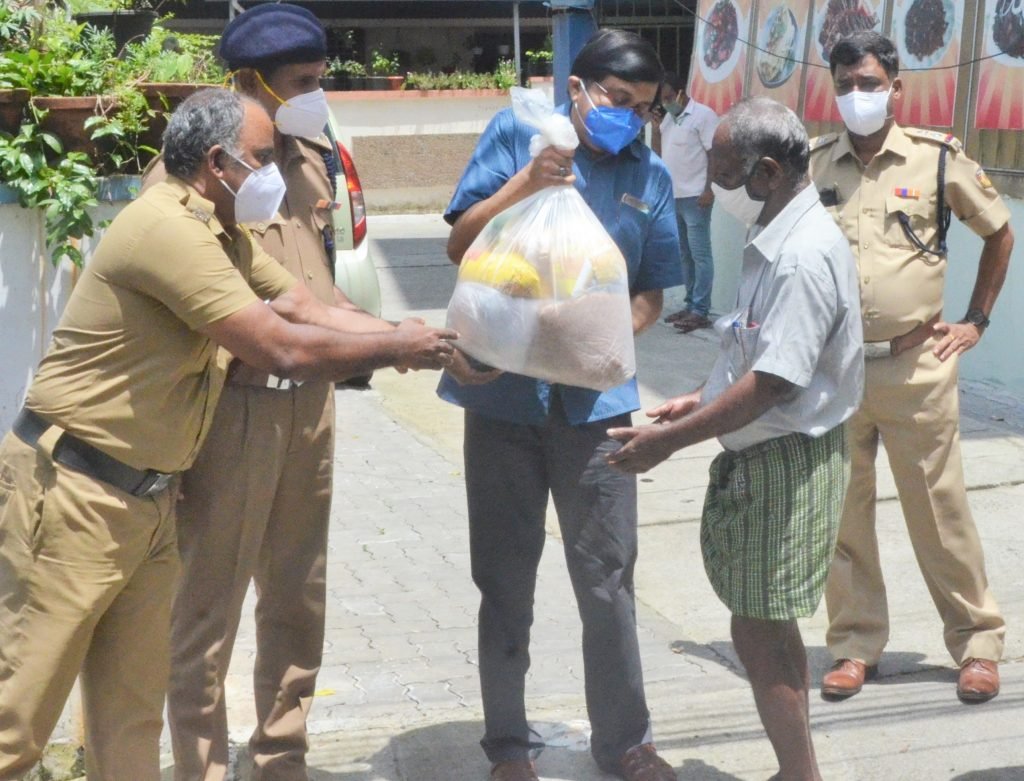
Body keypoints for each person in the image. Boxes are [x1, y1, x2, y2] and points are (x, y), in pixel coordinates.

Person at [0, 88, 456, 781]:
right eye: (262, 158)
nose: (273, 173)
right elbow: (280, 347)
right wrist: (397, 348)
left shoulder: (222, 231)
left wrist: (422, 339)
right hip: (73, 494)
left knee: (130, 721)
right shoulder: (167, 229)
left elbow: (304, 305)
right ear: (218, 162)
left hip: (147, 501)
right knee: (18, 721)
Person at [137, 8, 416, 781]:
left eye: (320, 79)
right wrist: (393, 344)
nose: (315, 95)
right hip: (231, 409)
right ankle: (200, 767)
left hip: (308, 407)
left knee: (298, 595)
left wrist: (397, 335)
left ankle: (280, 755)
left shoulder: (313, 159)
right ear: (247, 82)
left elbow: (317, 289)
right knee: (208, 607)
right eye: (301, 82)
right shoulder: (192, 176)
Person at [440, 29, 683, 781]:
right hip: (502, 398)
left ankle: (626, 742)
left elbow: (650, 292)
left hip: (597, 408)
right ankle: (509, 746)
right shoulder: (515, 133)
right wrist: (528, 181)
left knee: (608, 578)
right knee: (504, 579)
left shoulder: (650, 174)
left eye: (644, 109)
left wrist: (599, 338)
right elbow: (459, 244)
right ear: (576, 89)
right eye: (618, 100)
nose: (629, 119)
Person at [607, 96, 863, 781]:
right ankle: (795, 770)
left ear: (768, 172)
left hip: (785, 458)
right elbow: (754, 350)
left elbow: (775, 382)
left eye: (723, 175)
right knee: (766, 624)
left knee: (757, 627)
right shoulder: (774, 236)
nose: (715, 189)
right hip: (769, 452)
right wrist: (701, 397)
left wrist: (670, 442)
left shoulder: (801, 256)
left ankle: (799, 774)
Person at [809, 31, 1012, 703]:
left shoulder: (935, 158)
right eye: (845, 84)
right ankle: (854, 644)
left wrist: (975, 320)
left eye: (869, 83)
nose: (857, 95)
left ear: (896, 88)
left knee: (939, 510)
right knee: (842, 514)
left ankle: (976, 642)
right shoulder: (815, 165)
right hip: (835, 369)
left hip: (915, 364)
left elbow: (999, 231)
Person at [652, 71, 719, 333]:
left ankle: (700, 310)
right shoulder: (669, 119)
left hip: (696, 196)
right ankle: (690, 303)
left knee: (700, 254)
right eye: (663, 99)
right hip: (675, 196)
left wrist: (709, 189)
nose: (667, 103)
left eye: (669, 97)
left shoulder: (703, 116)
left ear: (681, 92)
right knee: (684, 254)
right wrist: (655, 129)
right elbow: (658, 155)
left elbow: (713, 154)